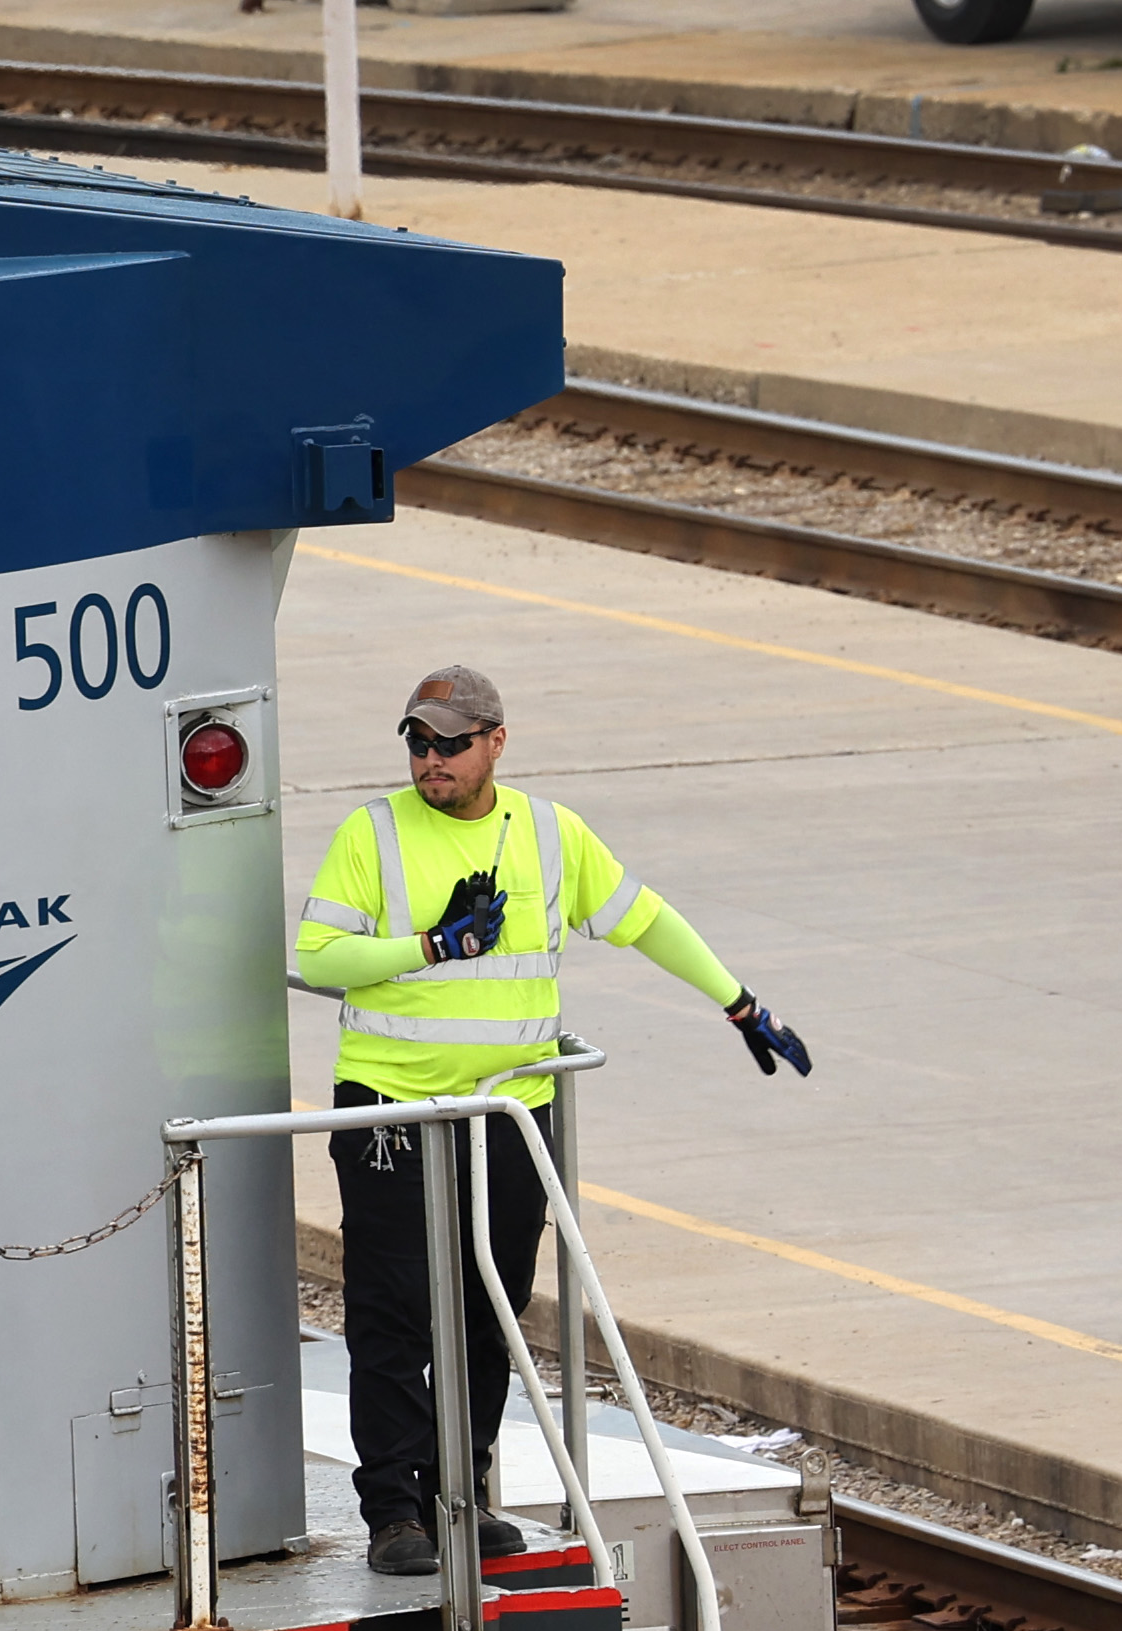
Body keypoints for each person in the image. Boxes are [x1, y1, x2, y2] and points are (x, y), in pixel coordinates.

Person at [288, 665, 811, 1576]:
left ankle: (462, 1492)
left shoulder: (547, 833)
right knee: (395, 1315)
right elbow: (318, 957)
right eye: (417, 741)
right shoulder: (372, 834)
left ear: (495, 741)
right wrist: (431, 945)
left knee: (491, 1309)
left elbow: (642, 919)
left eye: (450, 742)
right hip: (391, 1111)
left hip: (509, 1113)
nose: (430, 760)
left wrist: (738, 1004)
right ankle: (396, 1515)